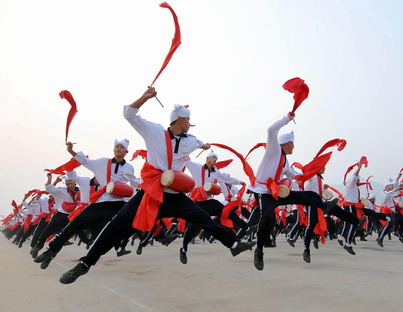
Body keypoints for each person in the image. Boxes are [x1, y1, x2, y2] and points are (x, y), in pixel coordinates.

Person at [58, 87, 254, 284]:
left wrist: (204, 146)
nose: (190, 124)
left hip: (175, 196)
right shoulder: (154, 132)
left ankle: (234, 243)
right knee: (117, 225)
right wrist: (145, 97)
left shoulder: (191, 140)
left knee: (204, 219)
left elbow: (200, 142)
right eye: (188, 120)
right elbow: (128, 113)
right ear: (179, 120)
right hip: (150, 193)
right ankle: (84, 264)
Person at [248, 112, 359, 270]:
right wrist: (287, 119)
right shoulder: (273, 151)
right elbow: (271, 130)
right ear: (286, 143)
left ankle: (330, 208)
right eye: (292, 143)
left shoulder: (285, 161)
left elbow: (293, 175)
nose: (294, 146)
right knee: (267, 217)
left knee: (311, 196)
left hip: (280, 192)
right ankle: (259, 250)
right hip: (264, 192)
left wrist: (308, 173)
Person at [34, 139, 140, 269]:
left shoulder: (128, 168)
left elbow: (134, 183)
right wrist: (71, 151)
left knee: (113, 230)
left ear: (126, 151)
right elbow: (84, 160)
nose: (119, 149)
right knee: (75, 223)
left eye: (121, 147)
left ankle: (90, 261)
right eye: (117, 147)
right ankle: (51, 251)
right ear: (113, 149)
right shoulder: (101, 163)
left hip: (118, 203)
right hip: (100, 203)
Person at [30, 174, 80, 258]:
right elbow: (49, 188)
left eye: (70, 180)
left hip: (74, 215)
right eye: (67, 181)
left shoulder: (81, 190)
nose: (69, 182)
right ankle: (38, 246)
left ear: (75, 182)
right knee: (47, 230)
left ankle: (50, 256)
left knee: (64, 236)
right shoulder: (62, 190)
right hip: (61, 214)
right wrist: (52, 179)